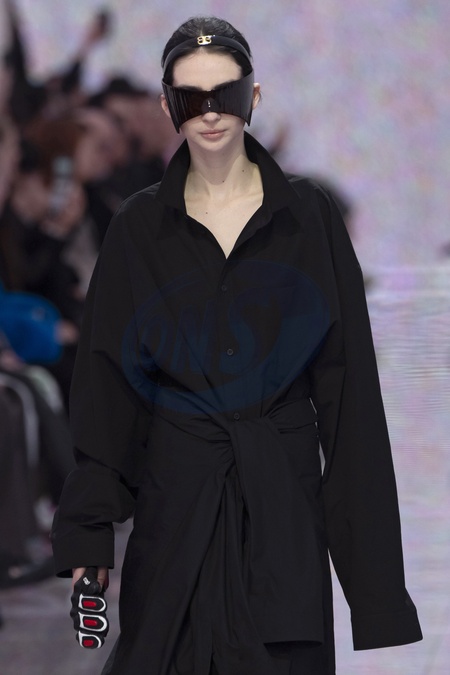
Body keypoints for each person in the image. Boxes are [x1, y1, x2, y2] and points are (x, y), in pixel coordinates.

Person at [51, 16, 422, 675]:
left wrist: (377, 595)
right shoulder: (139, 227)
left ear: (253, 95)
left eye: (224, 92)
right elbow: (107, 390)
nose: (210, 112)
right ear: (167, 106)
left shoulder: (308, 219)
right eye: (191, 97)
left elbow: (349, 401)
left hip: (281, 507)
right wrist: (89, 535)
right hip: (176, 504)